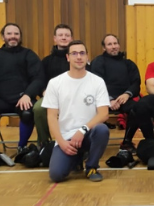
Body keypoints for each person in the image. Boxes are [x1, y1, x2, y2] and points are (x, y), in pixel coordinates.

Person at [42, 40, 110, 182]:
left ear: (87, 57)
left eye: (82, 53)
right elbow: (51, 116)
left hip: (89, 134)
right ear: (68, 57)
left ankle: (91, 166)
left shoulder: (97, 81)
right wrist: (61, 142)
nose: (78, 57)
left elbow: (104, 114)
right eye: (74, 53)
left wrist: (82, 130)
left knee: (102, 130)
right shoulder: (55, 83)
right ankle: (78, 157)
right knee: (56, 175)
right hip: (67, 138)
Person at [0, 23, 45, 153]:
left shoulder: (29, 55)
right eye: (9, 34)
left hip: (23, 99)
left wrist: (28, 95)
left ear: (20, 36)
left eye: (16, 34)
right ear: (3, 36)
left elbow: (38, 79)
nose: (13, 37)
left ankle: (21, 147)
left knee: (29, 113)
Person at [34, 24, 89, 146]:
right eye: (60, 35)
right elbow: (40, 80)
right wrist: (43, 91)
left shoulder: (79, 58)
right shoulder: (46, 61)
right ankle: (44, 143)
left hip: (76, 96)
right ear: (55, 38)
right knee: (38, 108)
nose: (64, 38)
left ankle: (82, 143)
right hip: (51, 96)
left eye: (67, 35)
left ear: (71, 38)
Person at [89, 34, 141, 150]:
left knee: (138, 108)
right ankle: (88, 143)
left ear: (119, 45)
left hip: (124, 99)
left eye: (115, 43)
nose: (113, 47)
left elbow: (136, 83)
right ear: (104, 48)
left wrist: (127, 94)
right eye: (109, 44)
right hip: (103, 99)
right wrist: (109, 99)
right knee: (86, 107)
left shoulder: (128, 63)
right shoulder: (98, 61)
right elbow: (95, 83)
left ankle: (127, 141)